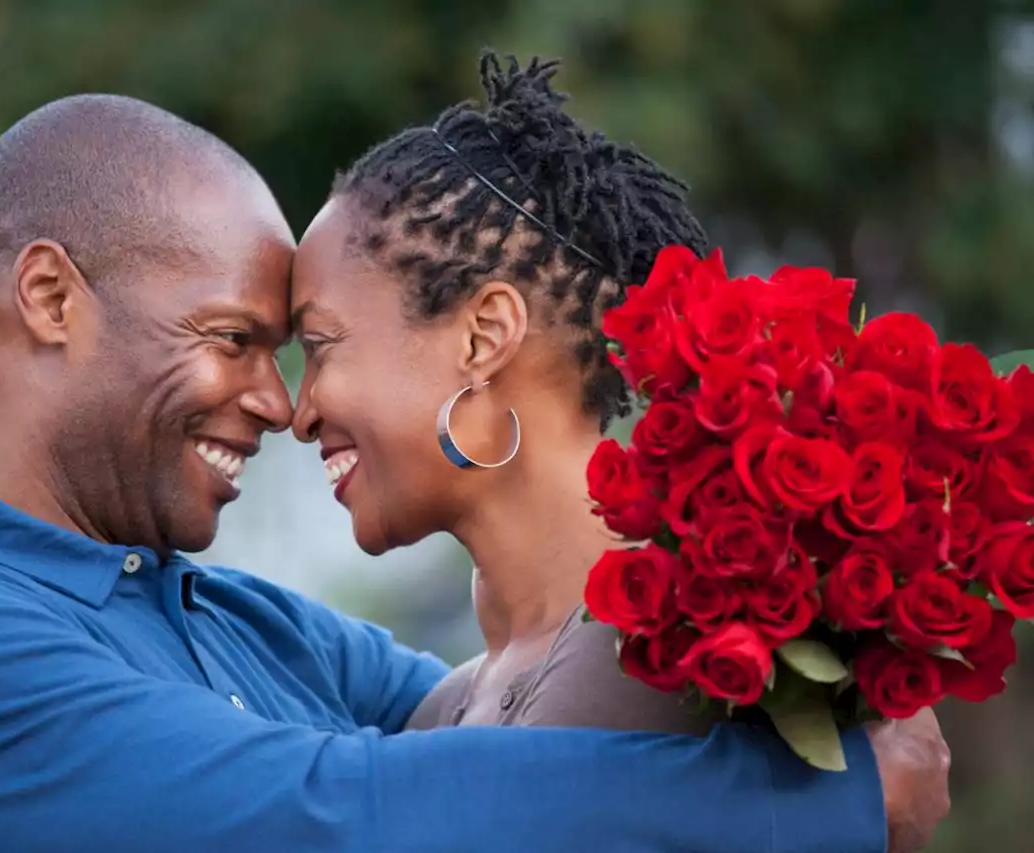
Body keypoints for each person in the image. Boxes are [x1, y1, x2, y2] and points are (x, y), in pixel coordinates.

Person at [0, 93, 946, 853]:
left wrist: (794, 575)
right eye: (234, 340)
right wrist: (820, 806)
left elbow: (509, 720)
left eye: (304, 349)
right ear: (51, 299)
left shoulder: (226, 614)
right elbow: (341, 813)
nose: (277, 402)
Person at [290, 51, 949, 852]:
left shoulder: (669, 673)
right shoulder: (450, 702)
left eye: (320, 345)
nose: (297, 409)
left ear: (484, 335)